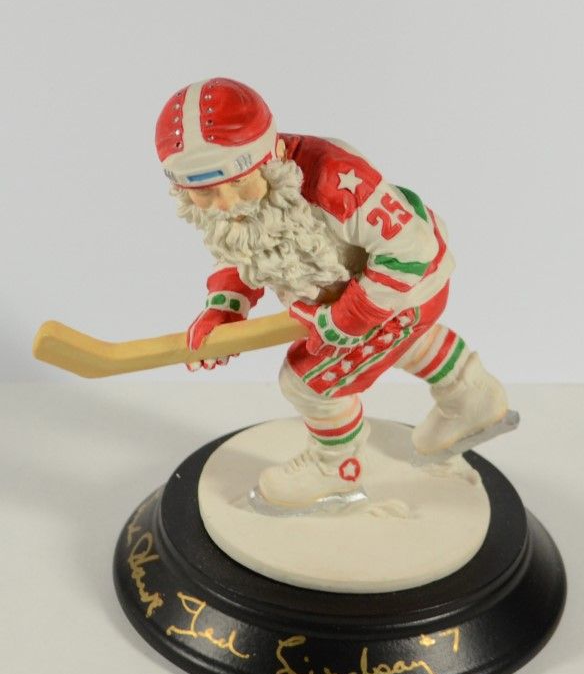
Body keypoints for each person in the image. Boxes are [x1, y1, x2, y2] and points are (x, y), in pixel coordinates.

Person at [155, 78, 510, 510]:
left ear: (272, 156)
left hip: (403, 291)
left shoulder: (335, 181)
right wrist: (224, 310)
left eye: (240, 184)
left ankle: (335, 470)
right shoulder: (242, 194)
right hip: (378, 297)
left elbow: (412, 252)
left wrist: (346, 318)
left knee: (307, 381)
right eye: (206, 191)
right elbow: (246, 250)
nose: (227, 203)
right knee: (401, 345)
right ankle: (471, 394)